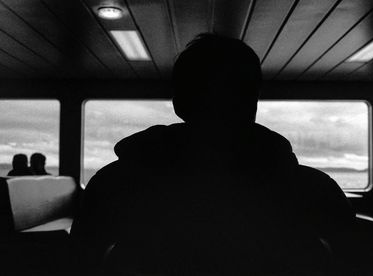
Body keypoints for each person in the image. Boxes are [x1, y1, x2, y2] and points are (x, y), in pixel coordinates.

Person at [71, 34, 354, 275]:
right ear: (253, 101)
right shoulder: (313, 189)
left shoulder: (113, 186)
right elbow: (354, 263)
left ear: (179, 103)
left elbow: (78, 265)